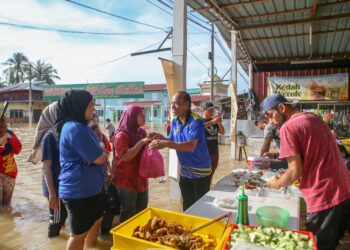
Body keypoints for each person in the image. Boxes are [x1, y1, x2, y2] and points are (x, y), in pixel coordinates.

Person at [261, 94, 350, 250]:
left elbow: (294, 172)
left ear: (282, 108)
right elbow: (311, 156)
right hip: (344, 189)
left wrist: (274, 184)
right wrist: (287, 173)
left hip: (324, 195)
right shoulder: (312, 117)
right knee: (333, 243)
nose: (270, 121)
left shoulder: (288, 128)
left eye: (270, 115)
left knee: (317, 245)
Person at [57, 90, 109, 250]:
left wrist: (99, 152)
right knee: (78, 234)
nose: (94, 107)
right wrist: (100, 154)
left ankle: (91, 247)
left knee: (96, 220)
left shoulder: (81, 126)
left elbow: (100, 151)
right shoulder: (75, 128)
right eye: (91, 104)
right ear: (79, 106)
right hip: (79, 191)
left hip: (91, 189)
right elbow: (101, 157)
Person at [149, 91, 211, 211]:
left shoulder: (196, 121)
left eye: (176, 104)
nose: (172, 107)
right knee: (187, 206)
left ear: (187, 104)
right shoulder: (174, 121)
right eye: (172, 103)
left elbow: (190, 146)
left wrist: (166, 143)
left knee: (202, 208)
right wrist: (160, 138)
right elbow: (172, 140)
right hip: (184, 171)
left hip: (201, 172)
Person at [112, 105, 149, 223]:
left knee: (142, 208)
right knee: (129, 211)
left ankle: (140, 236)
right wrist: (141, 142)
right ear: (132, 117)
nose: (144, 117)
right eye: (141, 115)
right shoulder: (121, 135)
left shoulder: (141, 132)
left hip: (141, 177)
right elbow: (125, 157)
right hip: (126, 179)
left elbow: (145, 152)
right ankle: (126, 238)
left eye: (144, 114)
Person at [0, 115, 22, 212]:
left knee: (6, 205)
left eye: (5, 123)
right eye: (4, 122)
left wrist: (11, 139)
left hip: (9, 173)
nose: (6, 124)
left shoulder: (10, 134)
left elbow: (18, 150)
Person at [202, 102, 225, 179]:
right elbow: (199, 128)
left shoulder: (214, 121)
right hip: (204, 152)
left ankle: (209, 186)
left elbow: (222, 132)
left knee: (212, 170)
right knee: (204, 172)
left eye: (212, 110)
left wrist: (219, 123)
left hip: (214, 151)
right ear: (204, 110)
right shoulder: (200, 121)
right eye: (210, 110)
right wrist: (213, 122)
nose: (212, 112)